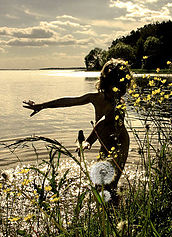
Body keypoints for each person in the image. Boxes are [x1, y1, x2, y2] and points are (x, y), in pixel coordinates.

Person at [23, 58, 132, 193]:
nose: (116, 92)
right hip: (104, 144)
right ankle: (107, 209)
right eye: (113, 87)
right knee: (99, 185)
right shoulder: (95, 98)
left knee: (110, 186)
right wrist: (42, 106)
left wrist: (88, 141)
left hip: (119, 145)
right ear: (106, 83)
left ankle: (115, 210)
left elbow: (103, 122)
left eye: (120, 88)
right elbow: (68, 101)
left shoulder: (119, 104)